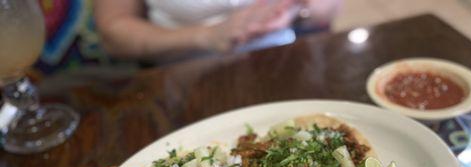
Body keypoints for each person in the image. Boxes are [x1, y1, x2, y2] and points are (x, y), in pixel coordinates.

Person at [93, 0, 341, 62]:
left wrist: (293, 13)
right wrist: (206, 36)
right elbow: (114, 33)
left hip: (282, 59)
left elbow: (328, 7)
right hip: (181, 73)